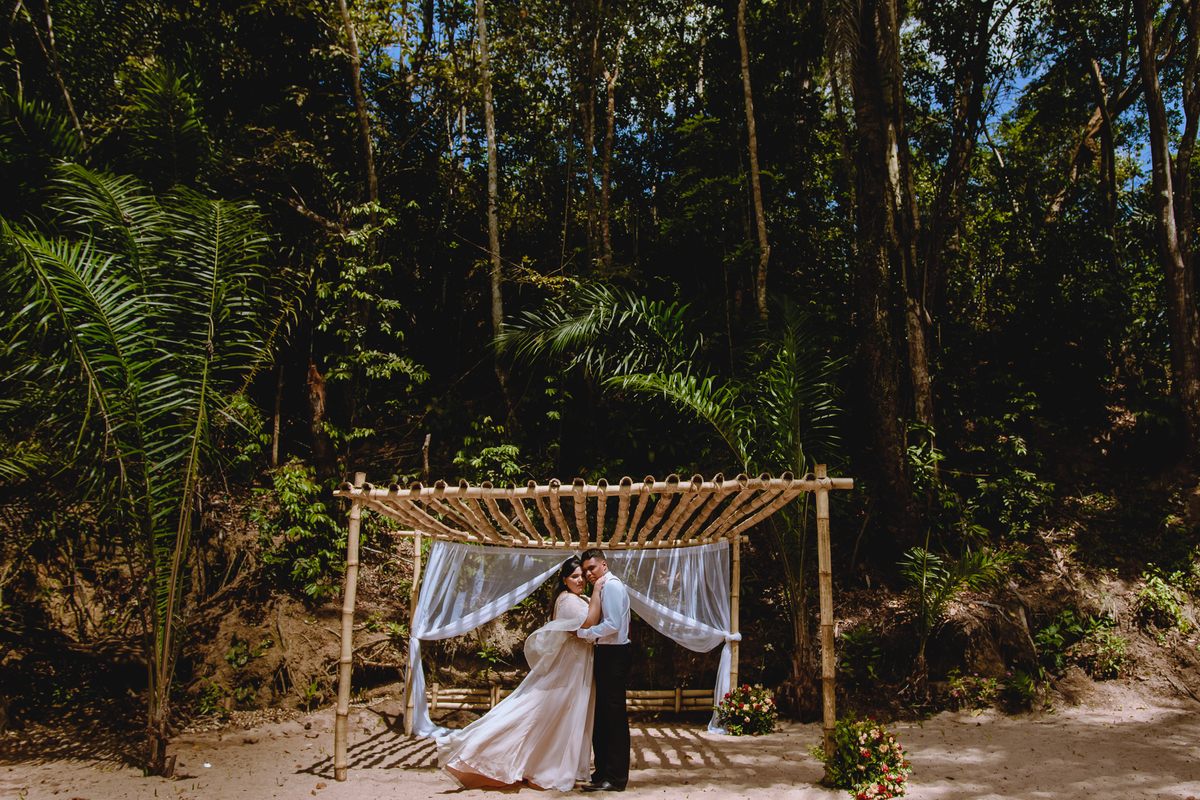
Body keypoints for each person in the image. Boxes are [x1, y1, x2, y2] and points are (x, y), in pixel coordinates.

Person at [436, 556, 603, 791]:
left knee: (563, 717)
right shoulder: (568, 602)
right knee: (533, 711)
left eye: (581, 576)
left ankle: (552, 765)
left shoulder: (577, 598)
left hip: (577, 668)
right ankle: (477, 749)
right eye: (574, 576)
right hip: (568, 669)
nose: (580, 580)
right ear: (564, 580)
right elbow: (587, 624)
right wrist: (597, 592)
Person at [576, 548, 632, 793]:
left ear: (604, 565)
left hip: (615, 655)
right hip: (606, 654)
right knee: (602, 717)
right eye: (585, 569)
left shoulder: (611, 586)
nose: (588, 573)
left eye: (592, 568)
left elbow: (613, 624)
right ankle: (602, 773)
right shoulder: (602, 586)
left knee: (614, 717)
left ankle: (616, 778)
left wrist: (586, 634)